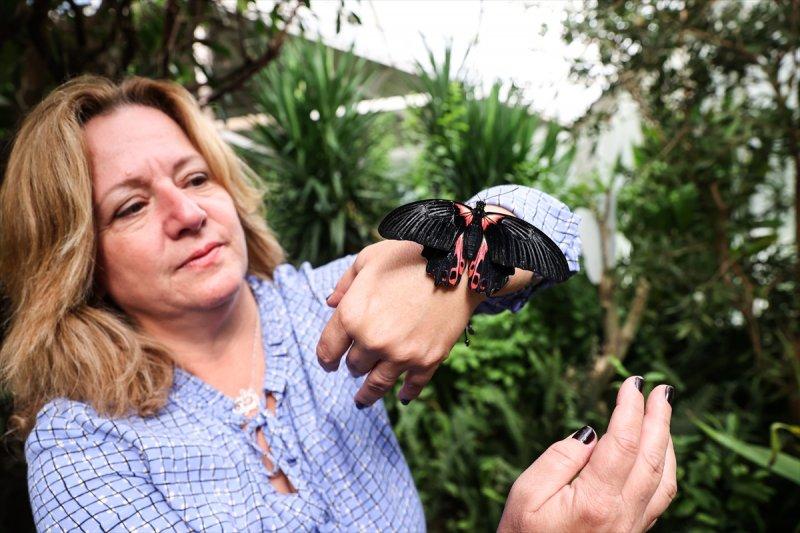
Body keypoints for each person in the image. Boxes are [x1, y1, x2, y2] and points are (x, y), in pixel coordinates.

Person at [0, 75, 675, 532]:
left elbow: (550, 222)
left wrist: (453, 277)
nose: (187, 213)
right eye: (131, 206)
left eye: (196, 176)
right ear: (76, 256)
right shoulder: (80, 442)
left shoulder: (323, 300)